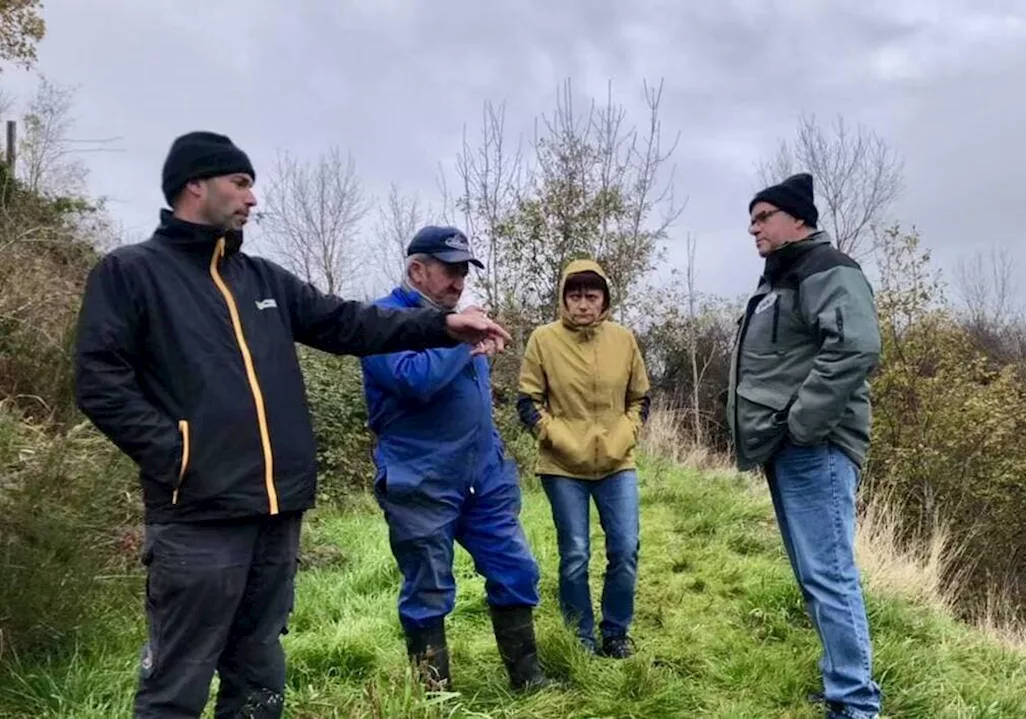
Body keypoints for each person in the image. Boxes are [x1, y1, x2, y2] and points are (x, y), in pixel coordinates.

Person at [72, 131, 511, 719]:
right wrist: (177, 453)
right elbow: (99, 381)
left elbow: (349, 323)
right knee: (177, 682)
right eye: (241, 182)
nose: (253, 199)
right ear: (193, 184)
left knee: (258, 674)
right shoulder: (131, 274)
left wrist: (442, 327)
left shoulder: (264, 280)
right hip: (197, 516)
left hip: (277, 514)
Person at [360, 225, 548, 694]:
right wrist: (463, 343)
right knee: (428, 589)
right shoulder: (382, 319)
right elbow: (414, 381)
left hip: (484, 476)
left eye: (464, 271)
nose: (459, 282)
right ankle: (436, 698)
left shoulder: (459, 320)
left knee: (516, 569)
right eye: (450, 270)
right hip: (419, 479)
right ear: (417, 270)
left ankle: (528, 681)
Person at [726, 172, 883, 719]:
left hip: (814, 446)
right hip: (787, 446)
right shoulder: (780, 279)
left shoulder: (826, 268)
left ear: (798, 219)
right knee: (814, 573)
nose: (753, 227)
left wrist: (803, 424)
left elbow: (857, 345)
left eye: (763, 215)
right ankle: (843, 685)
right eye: (752, 218)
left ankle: (857, 704)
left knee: (830, 574)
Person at [515, 259, 651, 658]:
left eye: (592, 295)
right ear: (563, 297)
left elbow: (640, 398)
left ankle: (616, 632)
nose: (583, 304)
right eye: (574, 295)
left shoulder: (623, 340)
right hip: (562, 467)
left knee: (625, 549)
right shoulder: (543, 340)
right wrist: (557, 438)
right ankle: (581, 638)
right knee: (575, 554)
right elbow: (528, 401)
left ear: (605, 299)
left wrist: (626, 434)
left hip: (616, 462)